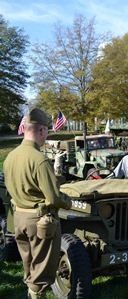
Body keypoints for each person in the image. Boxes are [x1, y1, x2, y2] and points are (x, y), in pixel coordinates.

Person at [3, 108, 72, 299]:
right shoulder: (39, 160)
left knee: (28, 263)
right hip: (39, 221)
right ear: (41, 130)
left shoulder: (10, 157)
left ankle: (30, 290)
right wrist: (69, 202)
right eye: (46, 132)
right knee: (42, 268)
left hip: (19, 218)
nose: (46, 136)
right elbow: (54, 198)